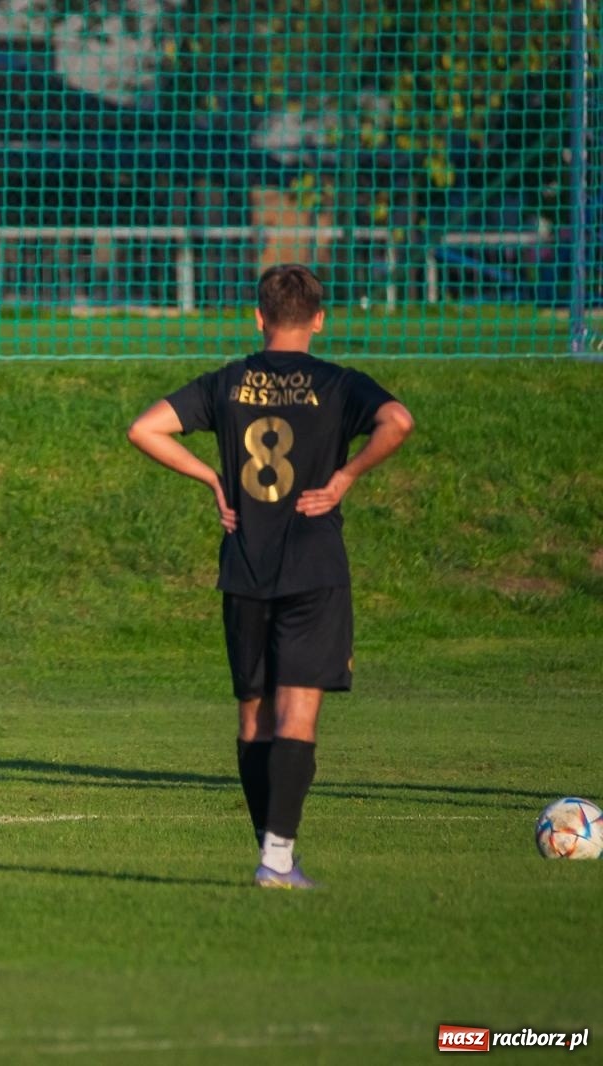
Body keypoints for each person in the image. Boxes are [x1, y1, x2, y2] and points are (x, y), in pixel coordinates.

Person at [126, 264, 414, 889]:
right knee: (297, 717)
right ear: (318, 319)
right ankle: (277, 860)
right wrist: (344, 478)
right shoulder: (338, 384)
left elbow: (143, 428)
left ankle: (275, 855)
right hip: (313, 565)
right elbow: (400, 421)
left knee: (252, 717)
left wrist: (211, 478)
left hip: (245, 566)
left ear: (258, 319)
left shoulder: (228, 383)